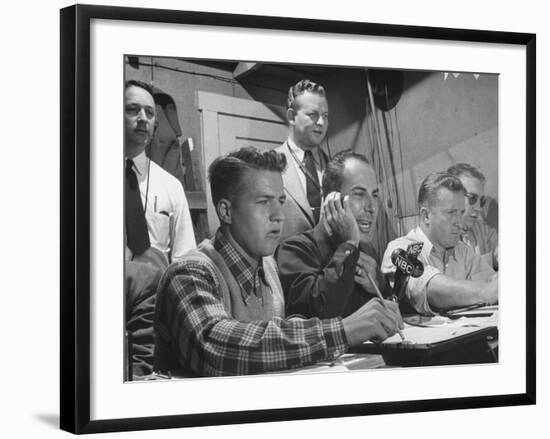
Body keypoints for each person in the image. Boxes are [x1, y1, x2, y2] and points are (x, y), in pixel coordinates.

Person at [153, 146, 403, 377]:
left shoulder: (268, 267)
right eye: (264, 202)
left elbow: (275, 332)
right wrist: (343, 330)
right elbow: (214, 345)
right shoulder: (190, 273)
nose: (279, 216)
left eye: (281, 202)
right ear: (226, 211)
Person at [276, 150, 386, 319]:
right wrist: (349, 245)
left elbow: (391, 309)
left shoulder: (367, 250)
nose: (371, 207)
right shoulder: (294, 250)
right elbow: (320, 313)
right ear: (331, 199)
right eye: (359, 194)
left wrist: (379, 286)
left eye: (375, 195)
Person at [381, 172, 498, 316]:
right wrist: (485, 292)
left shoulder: (463, 251)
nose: (459, 222)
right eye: (451, 213)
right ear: (426, 216)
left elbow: (492, 281)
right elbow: (429, 289)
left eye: (461, 213)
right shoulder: (400, 250)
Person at [124, 79, 196, 265]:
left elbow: (185, 260)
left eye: (149, 112)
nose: (143, 118)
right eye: (133, 109)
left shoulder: (171, 187)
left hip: (157, 291)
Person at [274, 79, 330, 241]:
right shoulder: (268, 165)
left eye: (325, 116)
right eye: (313, 115)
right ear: (291, 116)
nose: (321, 122)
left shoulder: (335, 167)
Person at [447, 163, 498, 269]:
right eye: (472, 198)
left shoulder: (482, 230)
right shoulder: (436, 238)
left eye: (482, 201)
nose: (479, 207)